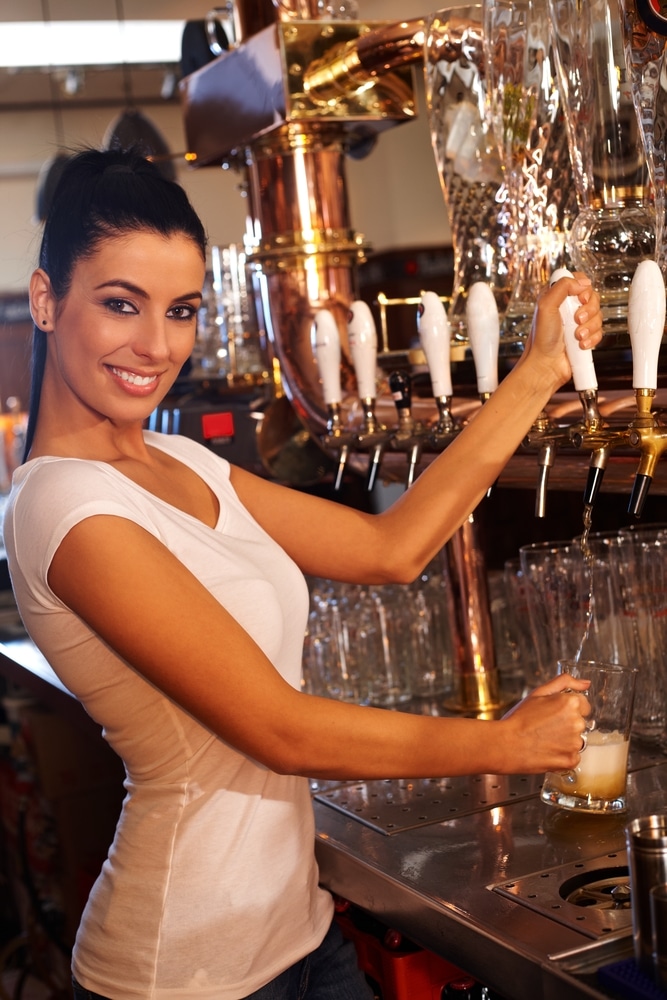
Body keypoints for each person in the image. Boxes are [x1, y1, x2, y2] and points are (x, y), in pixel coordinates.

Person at [2, 147, 600, 1000]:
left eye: (181, 311)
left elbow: (394, 548)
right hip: (185, 971)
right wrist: (500, 745)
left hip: (301, 937)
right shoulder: (61, 507)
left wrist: (538, 369)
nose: (155, 344)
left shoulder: (184, 463)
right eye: (120, 305)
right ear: (46, 300)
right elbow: (277, 729)